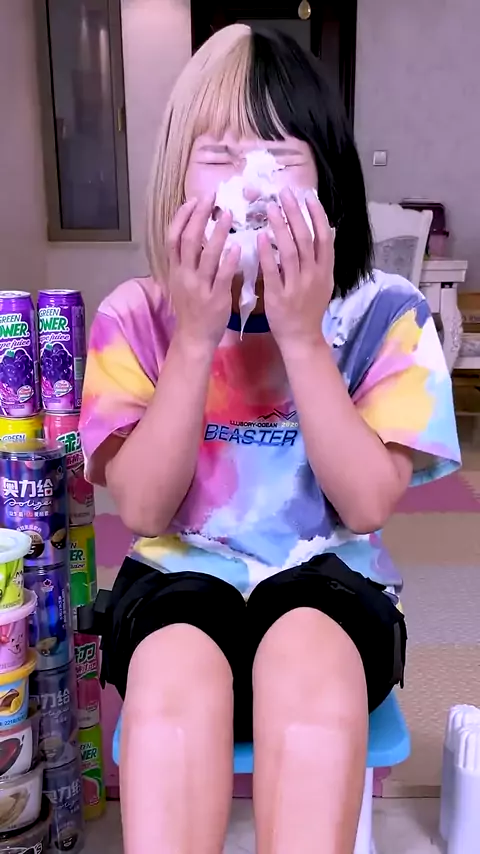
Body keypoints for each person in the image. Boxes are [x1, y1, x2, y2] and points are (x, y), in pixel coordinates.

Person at [79, 23, 461, 854]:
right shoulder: (135, 315)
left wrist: (301, 335)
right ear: (174, 179)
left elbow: (366, 503)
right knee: (170, 698)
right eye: (218, 155)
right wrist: (194, 336)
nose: (247, 183)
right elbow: (142, 509)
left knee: (312, 683)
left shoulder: (386, 312)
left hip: (330, 579)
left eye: (280, 158)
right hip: (178, 578)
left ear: (330, 181)